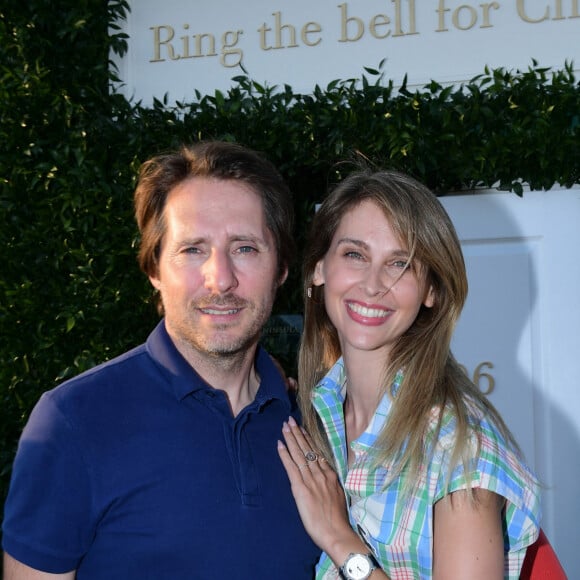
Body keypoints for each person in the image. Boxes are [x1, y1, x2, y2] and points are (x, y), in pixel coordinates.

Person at [2, 141, 321, 579]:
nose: (221, 278)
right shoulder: (74, 421)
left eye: (245, 248)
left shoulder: (316, 425)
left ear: (281, 267)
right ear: (154, 269)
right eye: (193, 249)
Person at [277, 169, 541, 579]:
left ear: (432, 291)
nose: (374, 284)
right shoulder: (318, 412)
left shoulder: (459, 446)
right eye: (355, 254)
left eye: (401, 264)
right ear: (318, 269)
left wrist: (340, 540)